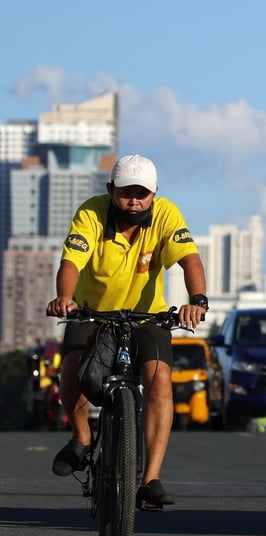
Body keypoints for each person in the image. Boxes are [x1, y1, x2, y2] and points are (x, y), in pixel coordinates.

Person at [45, 154, 209, 509]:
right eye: (125, 193)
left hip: (145, 316)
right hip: (91, 312)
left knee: (160, 379)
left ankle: (150, 478)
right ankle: (82, 437)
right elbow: (71, 262)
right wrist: (65, 298)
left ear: (154, 194)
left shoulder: (166, 214)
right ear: (110, 190)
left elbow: (189, 259)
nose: (134, 200)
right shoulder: (91, 212)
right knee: (71, 367)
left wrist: (198, 300)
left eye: (142, 193)